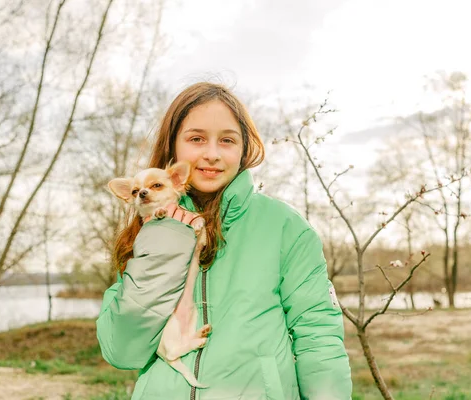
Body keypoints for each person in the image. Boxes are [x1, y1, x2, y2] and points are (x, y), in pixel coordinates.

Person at [96, 82, 353, 400]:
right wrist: (163, 248)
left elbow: (319, 337)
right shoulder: (144, 235)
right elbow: (122, 351)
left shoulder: (286, 228)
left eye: (227, 140)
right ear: (173, 147)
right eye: (196, 138)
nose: (212, 154)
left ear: (244, 149)